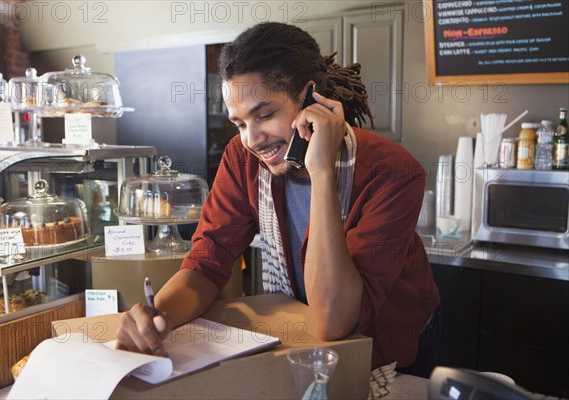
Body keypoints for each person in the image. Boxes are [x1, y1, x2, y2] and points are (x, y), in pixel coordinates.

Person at [116, 21, 440, 370]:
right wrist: (159, 315)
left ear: (311, 99)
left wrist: (322, 172)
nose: (251, 139)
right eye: (239, 124)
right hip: (302, 346)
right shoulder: (241, 160)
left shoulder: (392, 171)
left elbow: (335, 320)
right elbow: (208, 263)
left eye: (265, 114)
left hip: (385, 357)